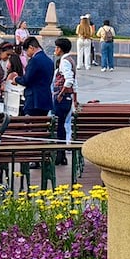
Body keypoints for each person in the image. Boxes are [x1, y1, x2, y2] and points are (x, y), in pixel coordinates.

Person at [51, 37, 77, 165]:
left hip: (61, 98)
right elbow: (74, 82)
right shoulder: (70, 60)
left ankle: (60, 155)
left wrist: (60, 94)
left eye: (56, 48)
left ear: (60, 49)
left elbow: (69, 80)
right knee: (61, 126)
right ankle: (61, 155)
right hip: (68, 98)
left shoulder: (64, 61)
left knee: (59, 126)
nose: (55, 50)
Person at [20, 36, 54, 117]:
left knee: (31, 126)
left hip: (34, 100)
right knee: (42, 126)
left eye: (26, 51)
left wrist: (16, 79)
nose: (26, 54)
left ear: (31, 48)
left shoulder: (34, 60)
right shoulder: (49, 61)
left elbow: (26, 80)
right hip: (46, 99)